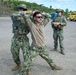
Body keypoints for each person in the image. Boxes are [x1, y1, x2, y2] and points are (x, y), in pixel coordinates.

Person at [18, 11, 62, 75]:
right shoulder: (31, 24)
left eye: (41, 17)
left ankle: (54, 67)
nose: (41, 18)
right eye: (38, 17)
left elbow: (49, 16)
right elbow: (23, 15)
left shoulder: (43, 24)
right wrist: (31, 13)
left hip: (43, 47)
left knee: (48, 58)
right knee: (26, 62)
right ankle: (20, 73)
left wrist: (41, 13)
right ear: (34, 18)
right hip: (35, 48)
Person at [10, 4, 30, 71]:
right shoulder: (14, 16)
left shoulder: (27, 17)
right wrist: (24, 12)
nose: (21, 10)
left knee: (26, 55)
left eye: (23, 9)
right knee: (14, 53)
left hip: (24, 38)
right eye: (20, 9)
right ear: (18, 9)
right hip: (15, 38)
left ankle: (27, 69)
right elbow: (13, 15)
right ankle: (18, 64)